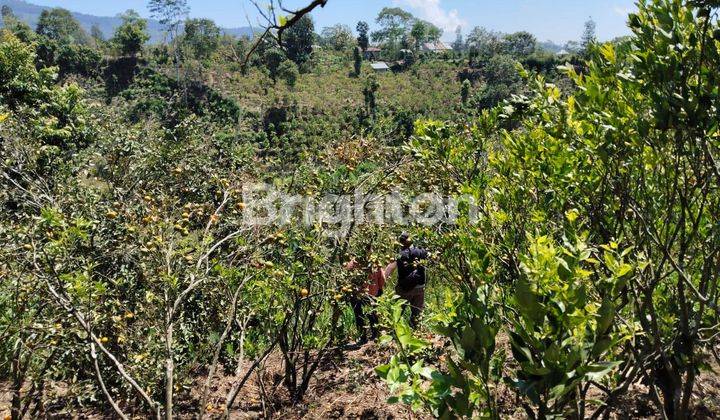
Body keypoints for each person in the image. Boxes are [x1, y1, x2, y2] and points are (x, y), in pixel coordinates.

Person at [386, 232, 428, 329]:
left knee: (398, 311)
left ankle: (395, 331)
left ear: (401, 242)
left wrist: (384, 278)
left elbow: (390, 268)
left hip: (404, 288)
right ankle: (416, 331)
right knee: (417, 312)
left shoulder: (400, 254)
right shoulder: (421, 251)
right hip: (420, 287)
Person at [345, 250, 386, 344]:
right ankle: (375, 335)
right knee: (372, 313)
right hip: (372, 293)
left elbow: (347, 280)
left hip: (356, 294)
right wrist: (379, 289)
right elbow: (382, 279)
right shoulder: (375, 263)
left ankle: (362, 337)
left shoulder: (352, 263)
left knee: (359, 315)